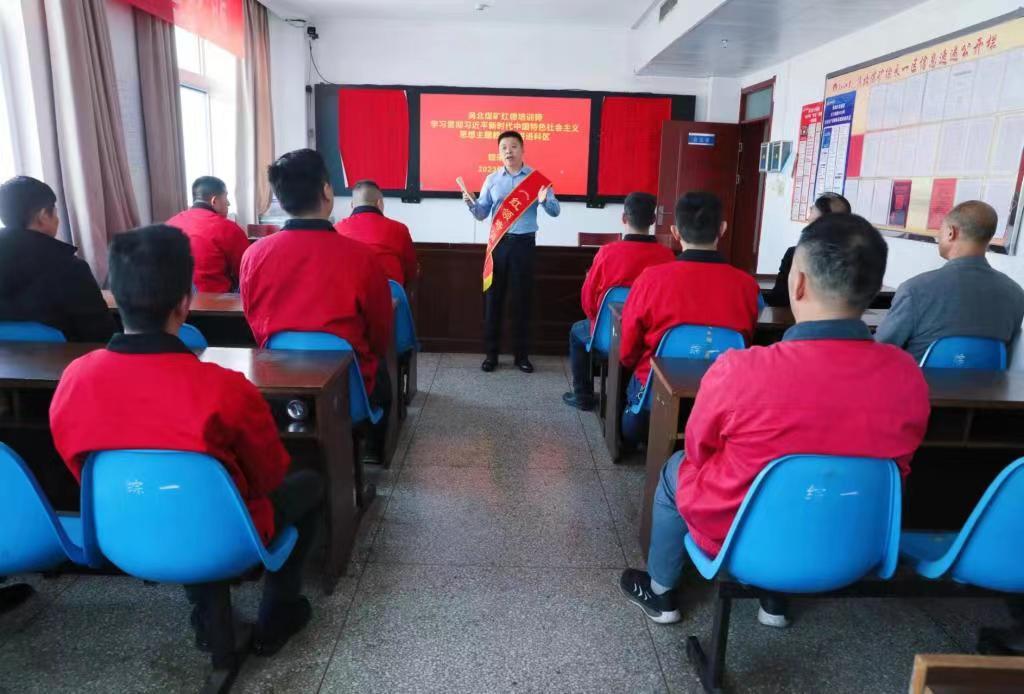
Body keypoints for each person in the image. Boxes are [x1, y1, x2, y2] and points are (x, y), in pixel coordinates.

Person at [620, 214, 930, 627]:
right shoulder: (908, 374)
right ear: (874, 291)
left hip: (742, 537)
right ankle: (774, 600)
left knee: (675, 468)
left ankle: (662, 592)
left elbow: (698, 448)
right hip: (853, 539)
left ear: (797, 284)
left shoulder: (740, 370)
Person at [49, 226, 323, 656]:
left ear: (116, 297)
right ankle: (280, 610)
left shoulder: (75, 379)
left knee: (180, 489)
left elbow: (79, 467)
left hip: (121, 531)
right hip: (225, 535)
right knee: (309, 484)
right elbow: (268, 476)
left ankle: (204, 609)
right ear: (184, 303)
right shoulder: (226, 389)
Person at [240, 149, 392, 462]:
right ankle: (371, 455)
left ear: (280, 198)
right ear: (326, 191)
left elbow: (254, 321)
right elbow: (379, 330)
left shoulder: (254, 255)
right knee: (383, 380)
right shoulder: (361, 257)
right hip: (348, 386)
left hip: (278, 385)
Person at [619, 192, 760, 445]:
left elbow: (627, 352)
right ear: (723, 229)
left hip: (652, 409)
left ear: (675, 232)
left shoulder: (651, 279)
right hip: (721, 412)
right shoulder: (747, 286)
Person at [562, 192, 674, 411]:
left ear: (624, 218)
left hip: (607, 336)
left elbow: (588, 303)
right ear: (653, 220)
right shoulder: (667, 256)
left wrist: (597, 320)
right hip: (650, 339)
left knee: (577, 331)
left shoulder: (607, 253)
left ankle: (583, 395)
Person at [876, 200, 1024, 363]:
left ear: (951, 233)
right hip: (989, 380)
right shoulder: (1016, 294)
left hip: (920, 379)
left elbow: (880, 350)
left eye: (940, 230)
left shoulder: (915, 290)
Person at [464, 131, 560, 373]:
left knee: (522, 302)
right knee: (493, 301)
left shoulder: (536, 180)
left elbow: (555, 211)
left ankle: (522, 356)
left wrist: (543, 201)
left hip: (524, 246)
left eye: (514, 146)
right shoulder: (492, 180)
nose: (509, 151)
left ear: (522, 150)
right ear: (499, 153)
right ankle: (491, 355)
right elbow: (482, 213)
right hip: (499, 246)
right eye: (504, 147)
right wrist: (471, 204)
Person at [0, 176, 114, 342]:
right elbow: (102, 334)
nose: (57, 219)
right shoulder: (70, 268)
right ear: (43, 216)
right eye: (54, 212)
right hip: (65, 357)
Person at [766, 192, 851, 307]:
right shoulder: (855, 256)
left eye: (814, 208)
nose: (810, 210)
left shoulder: (796, 254)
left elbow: (779, 299)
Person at [166, 176, 250, 293]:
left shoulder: (169, 224)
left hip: (174, 299)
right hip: (215, 300)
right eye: (226, 197)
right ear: (214, 201)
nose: (228, 203)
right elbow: (247, 270)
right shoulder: (228, 228)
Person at [335, 180, 418, 287]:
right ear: (379, 203)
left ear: (352, 205)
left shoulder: (337, 229)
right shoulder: (399, 229)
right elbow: (411, 269)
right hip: (390, 293)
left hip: (351, 292)